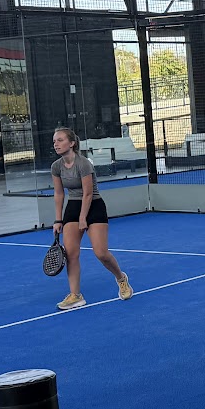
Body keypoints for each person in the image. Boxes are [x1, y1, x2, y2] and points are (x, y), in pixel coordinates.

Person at [50, 126, 131, 310]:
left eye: (60, 140)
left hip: (94, 206)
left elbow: (88, 193)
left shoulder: (84, 163)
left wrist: (83, 218)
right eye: (54, 141)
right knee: (71, 254)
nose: (56, 144)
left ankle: (121, 278)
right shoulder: (56, 167)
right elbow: (59, 194)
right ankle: (75, 296)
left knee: (101, 253)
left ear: (72, 143)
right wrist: (58, 220)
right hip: (73, 206)